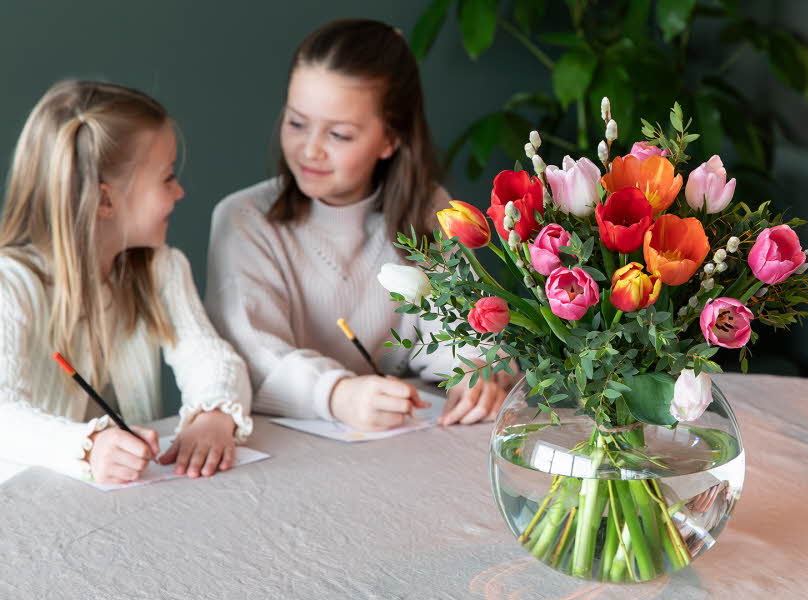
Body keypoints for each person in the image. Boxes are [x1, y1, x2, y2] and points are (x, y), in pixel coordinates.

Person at [205, 19, 512, 432]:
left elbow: (462, 327)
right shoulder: (244, 219)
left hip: (403, 444)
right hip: (285, 451)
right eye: (296, 123)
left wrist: (479, 372)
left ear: (390, 140)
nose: (310, 149)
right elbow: (250, 354)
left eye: (339, 134)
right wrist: (337, 395)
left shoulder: (428, 209)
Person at [0, 81, 253, 484]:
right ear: (104, 201)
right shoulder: (10, 285)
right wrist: (89, 446)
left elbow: (210, 357)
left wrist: (214, 413)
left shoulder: (162, 269)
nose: (181, 191)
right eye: (167, 178)